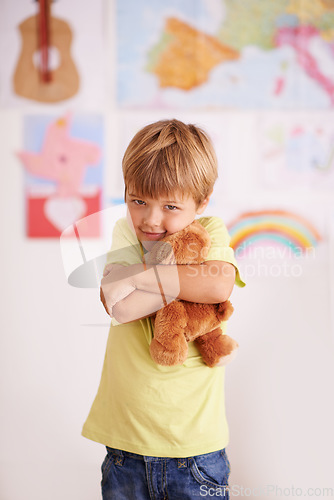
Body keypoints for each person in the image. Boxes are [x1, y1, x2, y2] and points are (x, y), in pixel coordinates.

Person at [82, 119, 245, 499]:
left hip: (195, 448)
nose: (151, 219)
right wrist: (186, 279)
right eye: (138, 200)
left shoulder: (211, 230)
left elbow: (219, 284)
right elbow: (119, 308)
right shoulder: (126, 231)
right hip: (126, 445)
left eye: (170, 206)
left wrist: (137, 273)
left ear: (201, 203)